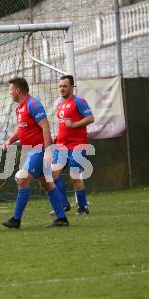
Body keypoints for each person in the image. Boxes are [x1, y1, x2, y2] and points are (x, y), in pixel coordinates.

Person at [1, 77, 69, 229]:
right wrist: (9, 141)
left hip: (39, 150)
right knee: (47, 184)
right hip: (31, 151)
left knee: (23, 180)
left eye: (10, 89)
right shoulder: (20, 107)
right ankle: (62, 218)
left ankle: (16, 220)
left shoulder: (33, 104)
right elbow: (21, 129)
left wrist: (47, 151)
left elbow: (45, 127)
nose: (9, 92)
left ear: (17, 90)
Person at [50, 75, 94, 216]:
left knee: (74, 176)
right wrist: (57, 135)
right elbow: (64, 125)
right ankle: (63, 205)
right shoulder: (60, 106)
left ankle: (83, 208)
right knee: (52, 175)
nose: (62, 89)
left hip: (76, 146)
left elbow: (90, 118)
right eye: (60, 86)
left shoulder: (79, 102)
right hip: (61, 145)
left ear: (72, 87)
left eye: (65, 86)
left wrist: (75, 124)